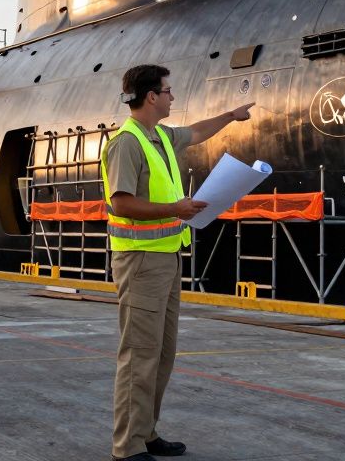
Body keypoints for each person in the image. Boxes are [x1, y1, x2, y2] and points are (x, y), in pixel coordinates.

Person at [103, 64, 253, 461]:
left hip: (166, 258)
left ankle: (146, 432)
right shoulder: (127, 142)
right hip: (140, 262)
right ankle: (128, 447)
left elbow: (198, 131)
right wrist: (175, 208)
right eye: (167, 91)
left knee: (162, 354)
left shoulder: (161, 137)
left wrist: (231, 116)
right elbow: (121, 202)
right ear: (151, 96)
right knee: (139, 354)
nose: (172, 97)